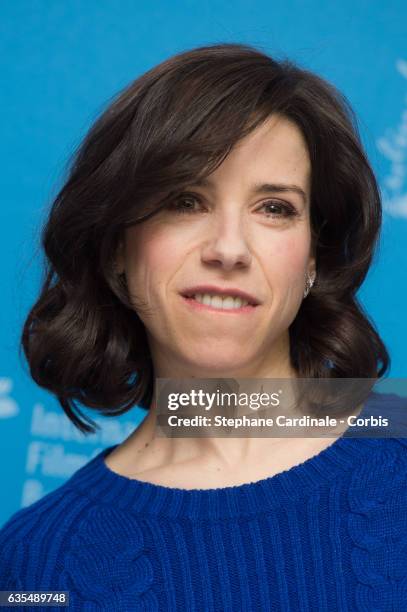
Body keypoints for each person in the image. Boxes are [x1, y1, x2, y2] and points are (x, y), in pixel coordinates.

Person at [1, 42, 406, 611]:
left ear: (314, 256)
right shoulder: (33, 565)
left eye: (275, 208)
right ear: (118, 247)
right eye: (185, 200)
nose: (229, 249)